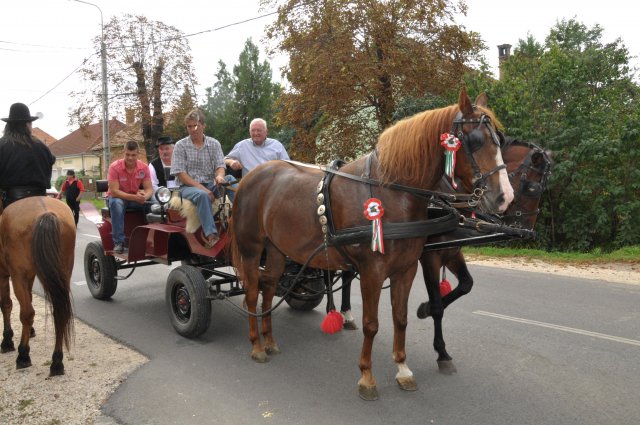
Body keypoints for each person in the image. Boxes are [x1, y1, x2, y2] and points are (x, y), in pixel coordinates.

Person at [170, 109, 226, 248]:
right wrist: (202, 188)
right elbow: (181, 174)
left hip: (210, 183)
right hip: (187, 187)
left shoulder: (214, 143)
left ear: (203, 125)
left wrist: (219, 176)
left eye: (195, 125)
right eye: (189, 126)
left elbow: (220, 165)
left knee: (231, 181)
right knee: (202, 195)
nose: (192, 129)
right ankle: (211, 235)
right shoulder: (180, 145)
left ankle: (243, 223)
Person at [0, 103, 56, 208]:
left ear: (9, 125)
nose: (31, 126)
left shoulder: (2, 145)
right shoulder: (41, 145)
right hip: (41, 198)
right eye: (31, 123)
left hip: (12, 199)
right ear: (27, 125)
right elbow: (51, 160)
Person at [224, 118, 289, 201]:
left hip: (272, 189)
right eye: (253, 130)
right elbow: (225, 159)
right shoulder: (242, 145)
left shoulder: (277, 145)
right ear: (249, 131)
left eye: (259, 130)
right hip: (249, 188)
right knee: (228, 179)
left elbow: (288, 166)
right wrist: (231, 162)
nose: (256, 133)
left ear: (266, 131)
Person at [106, 140, 153, 253]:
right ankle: (119, 242)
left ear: (138, 154)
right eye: (127, 154)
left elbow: (149, 189)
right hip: (117, 198)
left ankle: (151, 239)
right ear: (124, 152)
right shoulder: (114, 167)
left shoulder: (144, 167)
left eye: (133, 155)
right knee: (117, 204)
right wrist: (135, 198)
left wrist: (144, 197)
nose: (130, 158)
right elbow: (115, 192)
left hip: (133, 198)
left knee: (155, 206)